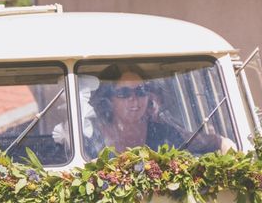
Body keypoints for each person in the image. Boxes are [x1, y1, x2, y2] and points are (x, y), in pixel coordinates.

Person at [84, 64, 234, 158]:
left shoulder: (163, 132)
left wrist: (223, 143)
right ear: (109, 99)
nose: (134, 99)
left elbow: (202, 142)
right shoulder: (91, 136)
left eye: (141, 91)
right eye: (124, 93)